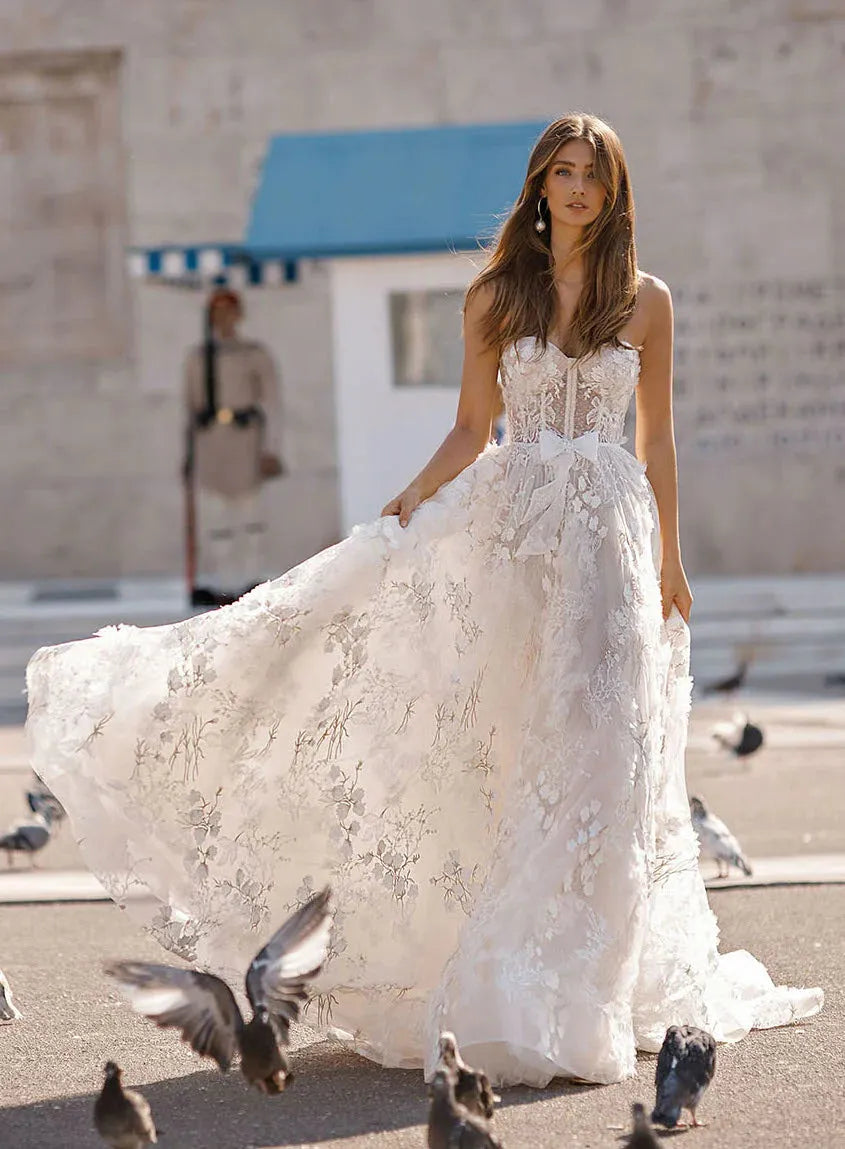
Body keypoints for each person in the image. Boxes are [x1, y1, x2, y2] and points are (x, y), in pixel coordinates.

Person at [26, 115, 821, 1088]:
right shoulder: (493, 292)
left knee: (607, 745)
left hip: (609, 536)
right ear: (536, 185)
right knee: (516, 746)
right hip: (514, 534)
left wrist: (673, 559)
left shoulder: (645, 301)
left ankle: (596, 982)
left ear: (614, 192)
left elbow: (652, 444)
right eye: (560, 172)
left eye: (591, 175)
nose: (574, 188)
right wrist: (405, 505)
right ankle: (516, 977)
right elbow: (471, 426)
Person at [183, 287, 284, 607]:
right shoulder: (199, 358)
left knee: (251, 517)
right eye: (217, 312)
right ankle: (224, 584)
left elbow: (273, 404)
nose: (223, 319)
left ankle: (251, 580)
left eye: (229, 311)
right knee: (217, 521)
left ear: (239, 315)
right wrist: (188, 456)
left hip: (246, 440)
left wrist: (272, 448)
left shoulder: (254, 354)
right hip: (213, 442)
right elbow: (190, 408)